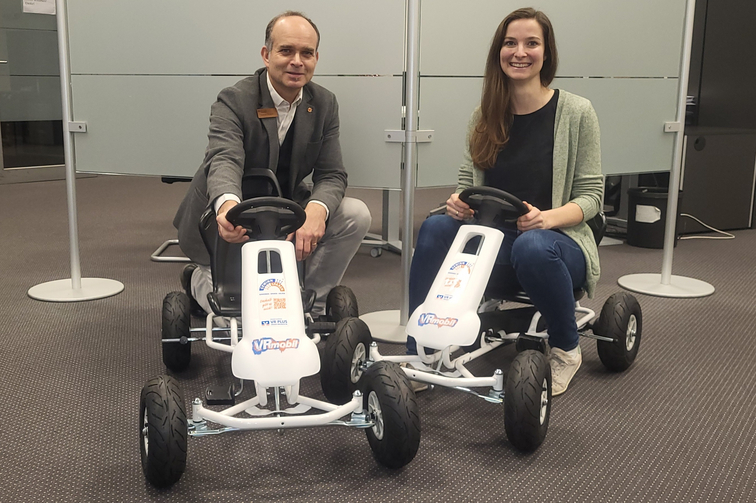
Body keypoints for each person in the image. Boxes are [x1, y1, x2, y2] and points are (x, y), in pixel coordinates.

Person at [406, 8, 603, 396]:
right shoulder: (484, 115)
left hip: (557, 247)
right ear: (499, 51)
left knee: (532, 244)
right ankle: (421, 351)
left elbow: (592, 197)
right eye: (510, 43)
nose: (520, 52)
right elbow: (467, 185)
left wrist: (546, 219)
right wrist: (457, 203)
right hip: (493, 246)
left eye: (532, 43)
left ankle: (566, 349)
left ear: (547, 53)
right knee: (435, 227)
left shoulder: (577, 112)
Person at [174, 11, 371, 318]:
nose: (297, 61)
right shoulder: (233, 100)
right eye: (286, 51)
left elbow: (332, 174)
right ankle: (196, 280)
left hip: (283, 208)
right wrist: (227, 207)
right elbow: (224, 159)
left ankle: (310, 306)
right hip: (229, 221)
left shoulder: (324, 103)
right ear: (266, 55)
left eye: (307, 53)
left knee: (356, 214)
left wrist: (317, 210)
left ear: (316, 58)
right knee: (237, 317)